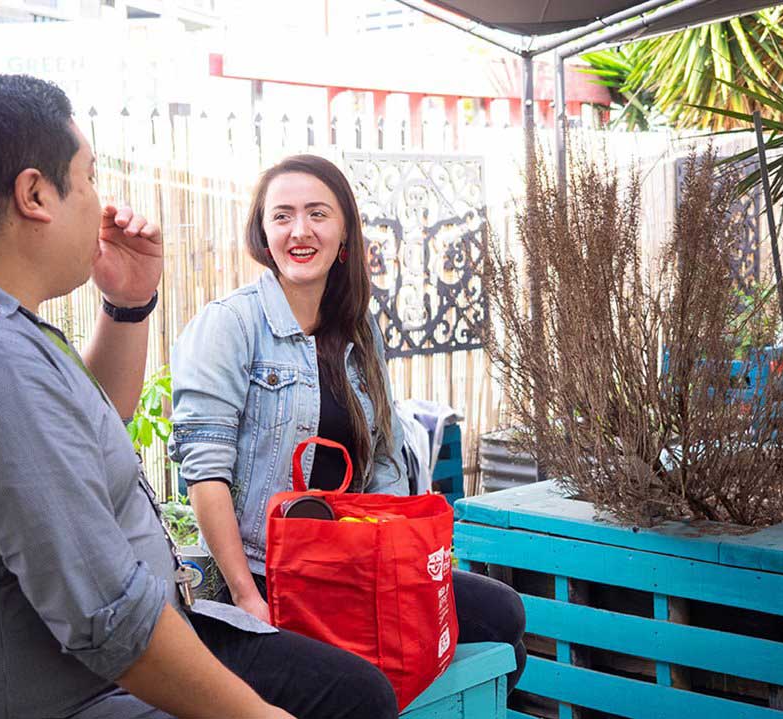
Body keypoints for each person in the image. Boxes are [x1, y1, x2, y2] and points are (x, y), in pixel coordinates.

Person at [0, 75, 397, 719]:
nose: (101, 203)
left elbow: (100, 421)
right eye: (90, 177)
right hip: (69, 694)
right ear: (35, 194)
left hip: (91, 666)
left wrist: (128, 305)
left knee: (356, 690)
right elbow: (111, 618)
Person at [169, 154, 527, 692]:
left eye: (318, 214)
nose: (300, 230)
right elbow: (205, 474)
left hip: (351, 558)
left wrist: (402, 563)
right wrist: (247, 595)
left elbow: (381, 457)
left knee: (505, 619)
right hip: (271, 572)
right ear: (263, 233)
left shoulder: (359, 329)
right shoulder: (230, 325)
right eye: (282, 215)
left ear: (344, 236)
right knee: (384, 678)